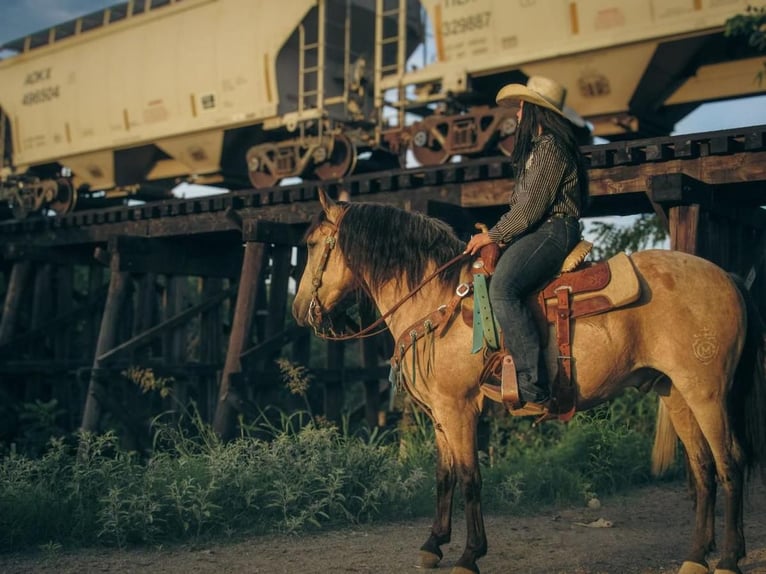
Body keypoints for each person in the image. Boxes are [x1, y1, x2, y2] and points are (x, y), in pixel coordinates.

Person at [464, 76, 589, 411]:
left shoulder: (550, 148)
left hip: (553, 231)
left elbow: (529, 209)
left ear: (535, 112)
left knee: (503, 289)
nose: (517, 114)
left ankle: (533, 385)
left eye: (521, 107)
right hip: (540, 231)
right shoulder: (539, 150)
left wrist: (491, 236)